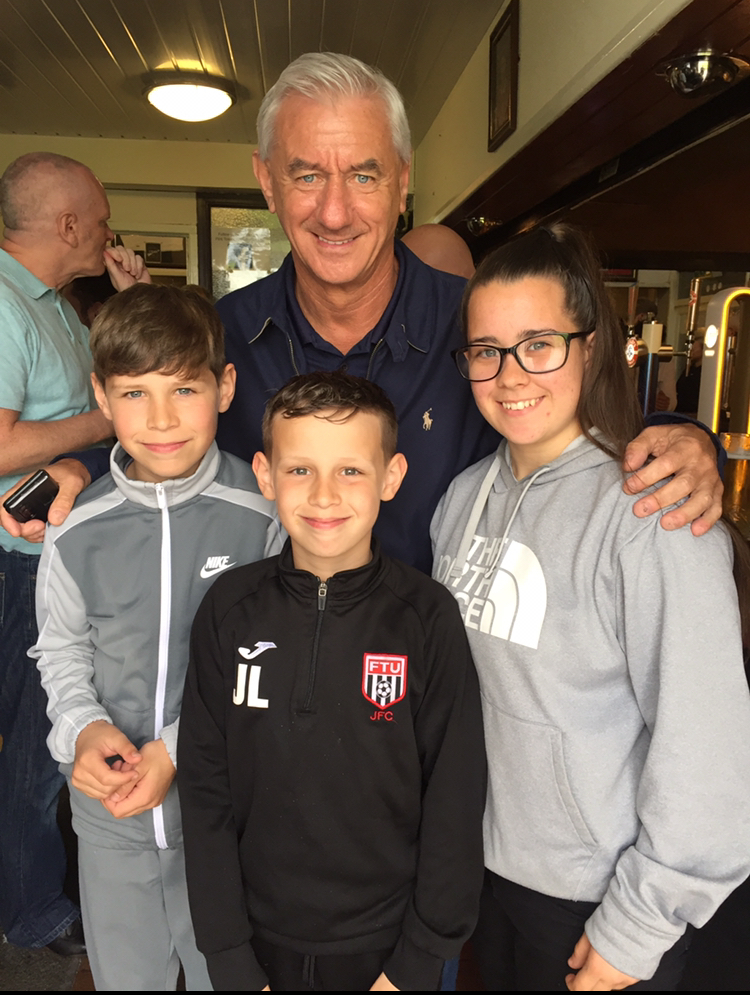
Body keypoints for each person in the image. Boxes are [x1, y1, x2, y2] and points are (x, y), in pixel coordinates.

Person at [2, 53, 725, 575]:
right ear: (266, 182)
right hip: (264, 709)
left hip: (441, 717)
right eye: (307, 174)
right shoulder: (214, 338)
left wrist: (684, 439)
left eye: (365, 174)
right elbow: (155, 429)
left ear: (403, 182)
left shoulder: (476, 330)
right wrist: (85, 463)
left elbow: (595, 420)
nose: (336, 210)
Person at [430, 223, 750, 991]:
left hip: (599, 899)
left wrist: (636, 928)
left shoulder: (655, 516)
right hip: (487, 876)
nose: (511, 375)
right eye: (486, 350)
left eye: (539, 343)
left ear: (590, 347)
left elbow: (706, 751)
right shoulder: (460, 499)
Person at [177, 370, 487, 992]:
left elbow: (455, 794)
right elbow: (204, 790)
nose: (323, 495)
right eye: (299, 470)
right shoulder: (230, 608)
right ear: (265, 474)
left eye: (350, 471)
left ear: (391, 478)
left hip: (388, 952)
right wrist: (229, 956)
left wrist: (417, 961)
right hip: (256, 945)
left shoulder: (426, 617)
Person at [29, 284, 278, 990]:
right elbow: (61, 647)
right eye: (135, 393)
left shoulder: (261, 513)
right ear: (101, 398)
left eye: (184, 388)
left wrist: (177, 747)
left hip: (228, 818)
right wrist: (81, 728)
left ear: (225, 387)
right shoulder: (74, 524)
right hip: (111, 818)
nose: (162, 418)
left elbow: (278, 655)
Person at [0, 151, 150, 954]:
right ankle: (33, 913)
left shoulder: (54, 304)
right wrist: (110, 421)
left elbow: (114, 370)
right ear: (66, 226)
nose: (106, 230)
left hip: (51, 555)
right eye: (98, 218)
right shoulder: (3, 305)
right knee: (34, 746)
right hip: (15, 562)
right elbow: (3, 445)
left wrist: (129, 304)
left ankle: (38, 887)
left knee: (44, 738)